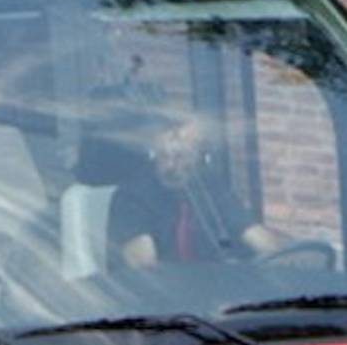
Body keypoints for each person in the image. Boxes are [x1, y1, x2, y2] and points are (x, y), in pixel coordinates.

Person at [108, 108, 283, 269]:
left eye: (181, 156)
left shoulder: (210, 188)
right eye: (163, 156)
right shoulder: (132, 197)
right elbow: (146, 270)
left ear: (200, 157)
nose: (171, 166)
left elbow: (258, 238)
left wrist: (285, 262)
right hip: (164, 298)